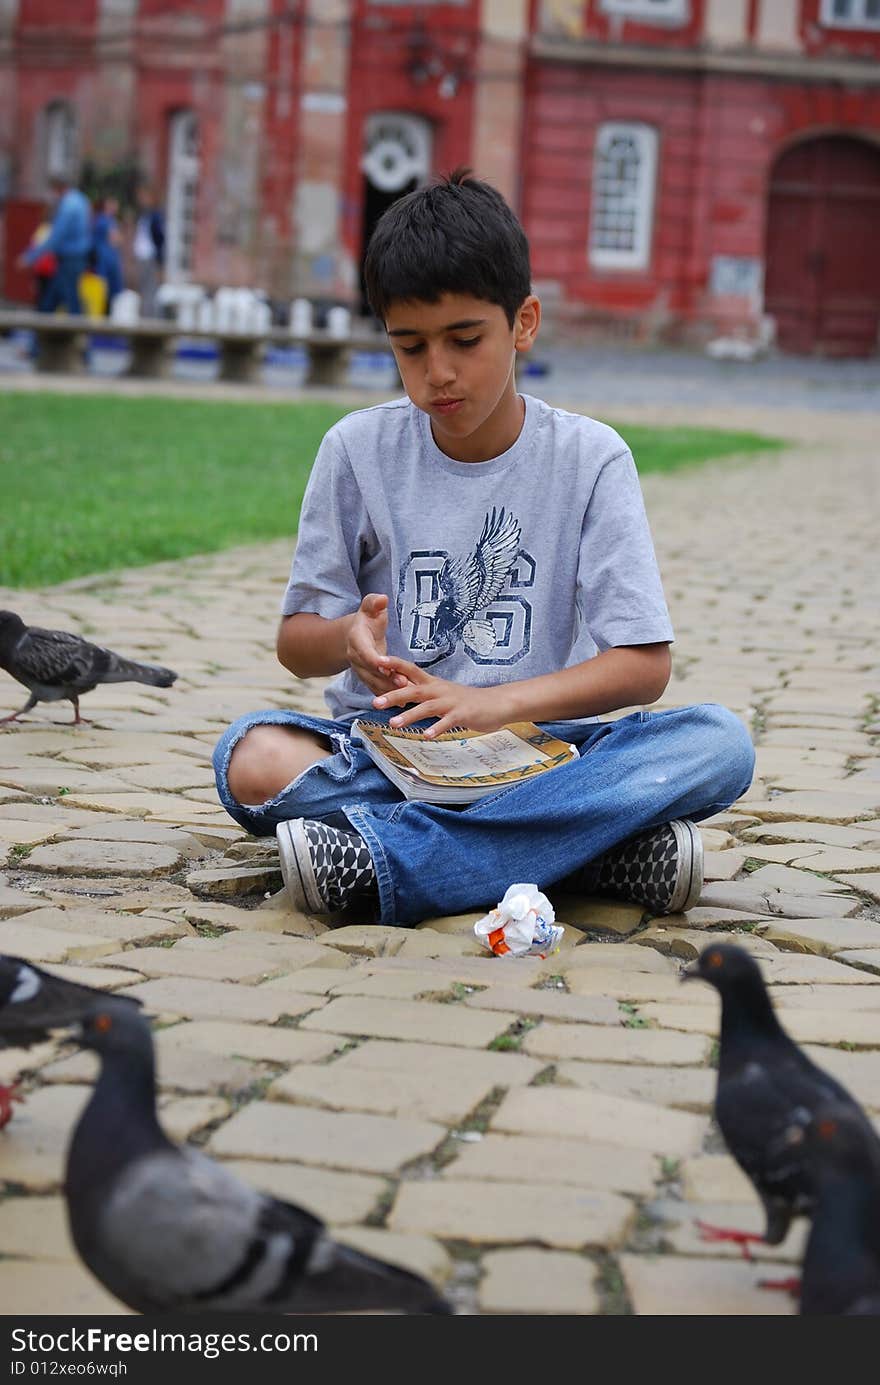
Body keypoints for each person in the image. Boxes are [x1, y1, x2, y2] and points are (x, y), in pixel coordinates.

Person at [212, 169, 755, 928]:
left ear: (523, 323)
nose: (438, 372)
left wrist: (490, 705)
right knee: (248, 759)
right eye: (410, 347)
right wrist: (347, 637)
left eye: (465, 340)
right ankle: (594, 851)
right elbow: (297, 645)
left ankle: (392, 862)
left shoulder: (591, 458)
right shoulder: (357, 450)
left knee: (720, 743)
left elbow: (644, 664)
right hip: (390, 753)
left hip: (541, 750)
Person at [16, 174, 91, 314]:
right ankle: (47, 329)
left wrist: (30, 257)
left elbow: (56, 237)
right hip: (77, 256)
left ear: (58, 188)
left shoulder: (68, 206)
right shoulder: (81, 200)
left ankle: (70, 330)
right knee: (58, 297)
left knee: (67, 298)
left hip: (69, 258)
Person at [132, 184, 165, 318]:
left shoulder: (155, 216)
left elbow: (159, 239)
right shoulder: (145, 215)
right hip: (142, 256)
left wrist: (159, 260)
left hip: (149, 256)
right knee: (143, 287)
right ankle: (144, 315)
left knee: (149, 288)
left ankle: (149, 317)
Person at [91, 196, 124, 310]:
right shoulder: (104, 220)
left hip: (107, 258)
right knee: (105, 290)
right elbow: (115, 238)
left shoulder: (106, 220)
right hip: (105, 259)